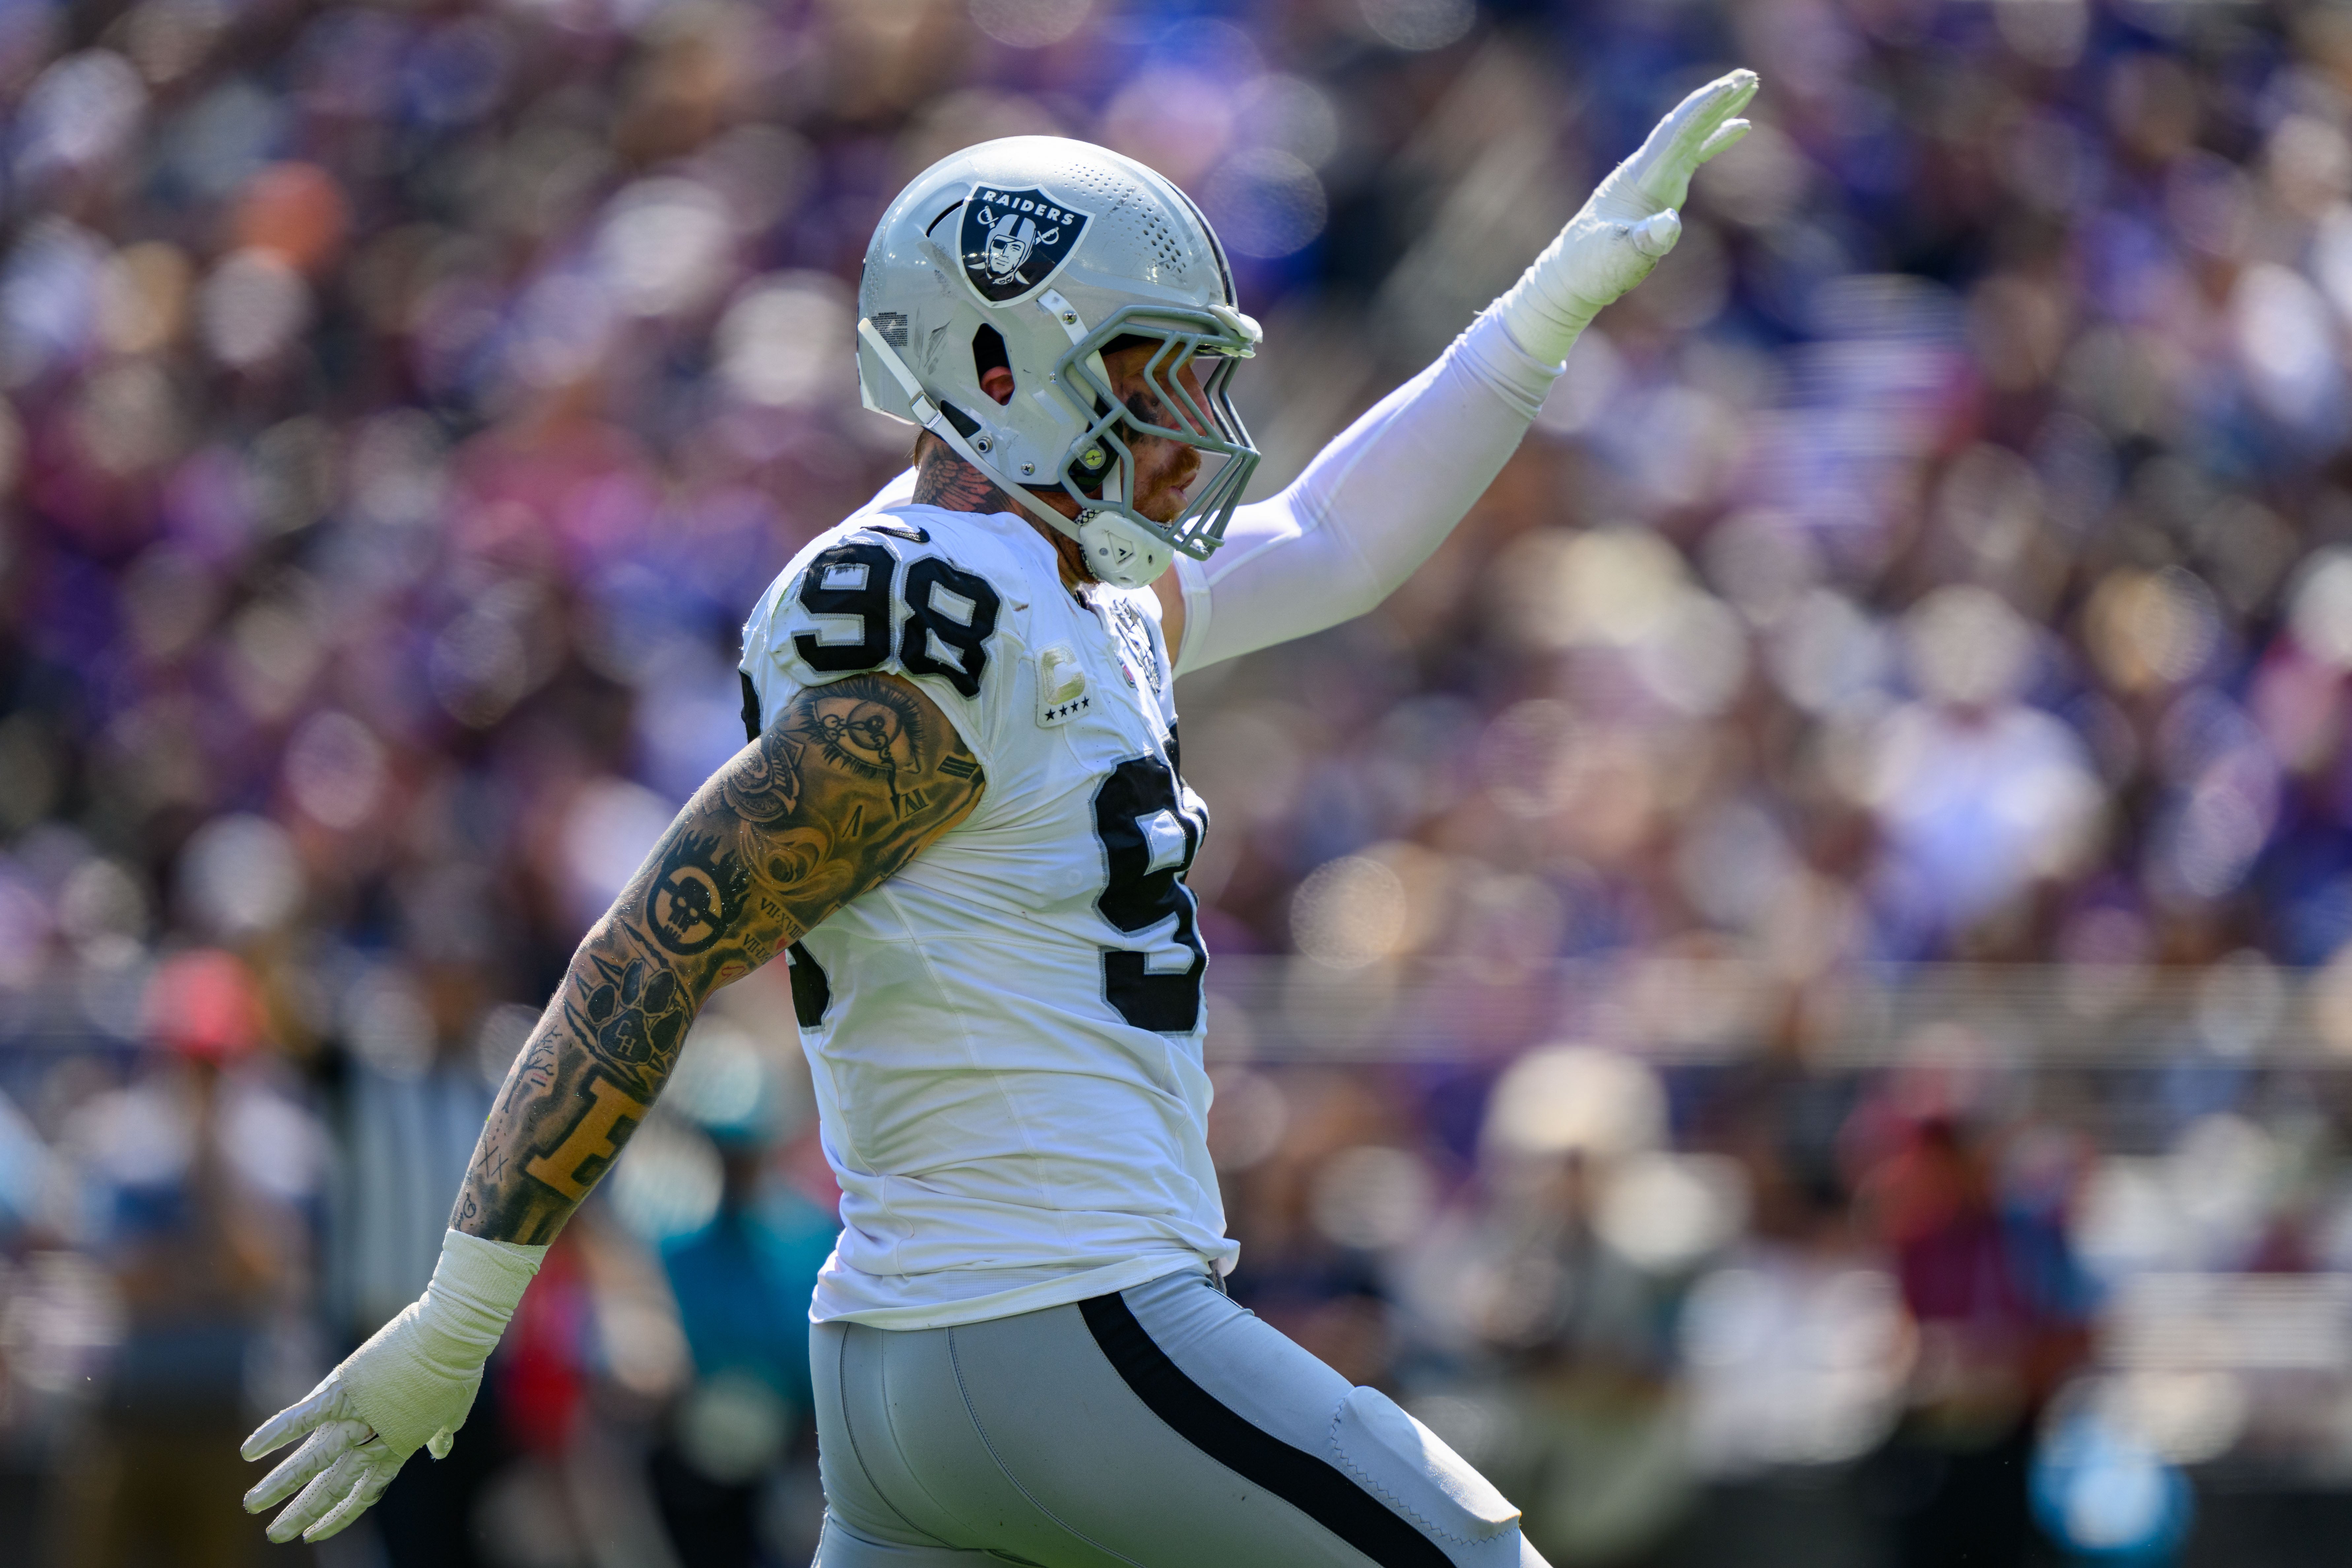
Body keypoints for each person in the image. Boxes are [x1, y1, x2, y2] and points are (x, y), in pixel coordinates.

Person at [236, 69, 1760, 1567]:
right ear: (997, 367)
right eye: (1150, 372)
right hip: (1061, 1323)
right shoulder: (944, 610)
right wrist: (458, 1320)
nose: (1191, 422)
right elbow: (652, 949)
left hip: (919, 1376)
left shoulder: (1066, 597)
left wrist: (1543, 310)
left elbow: (1338, 537)